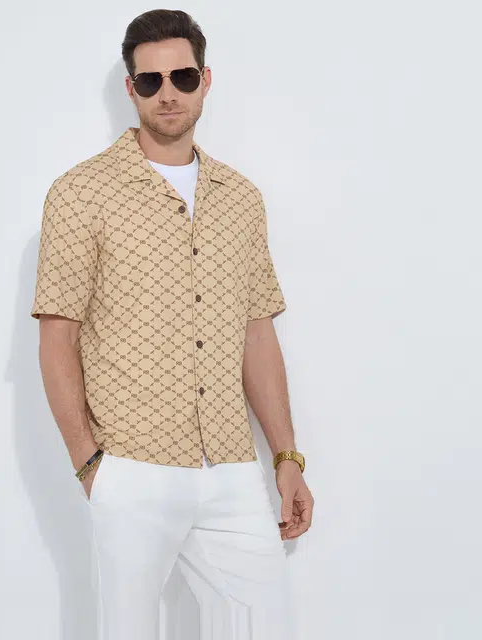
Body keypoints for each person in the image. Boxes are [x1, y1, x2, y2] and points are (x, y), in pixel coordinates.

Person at [30, 8, 314, 639]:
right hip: (131, 465)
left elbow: (257, 333)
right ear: (130, 88)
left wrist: (286, 456)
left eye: (182, 77)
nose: (168, 94)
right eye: (150, 80)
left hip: (231, 469)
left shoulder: (241, 199)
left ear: (205, 81)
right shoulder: (80, 193)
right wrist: (89, 465)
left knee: (262, 626)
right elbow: (57, 336)